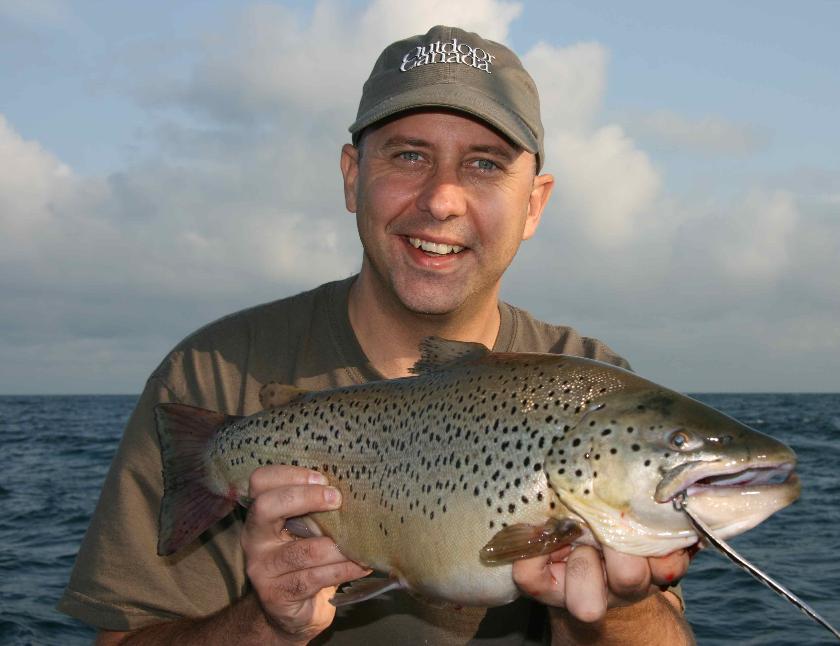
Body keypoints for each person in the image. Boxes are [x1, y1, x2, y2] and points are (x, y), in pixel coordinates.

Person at [58, 25, 694, 645]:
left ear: (534, 203)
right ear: (351, 176)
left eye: (484, 164)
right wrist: (265, 627)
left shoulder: (593, 385)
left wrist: (615, 614)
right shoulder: (214, 373)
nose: (442, 199)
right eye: (409, 155)